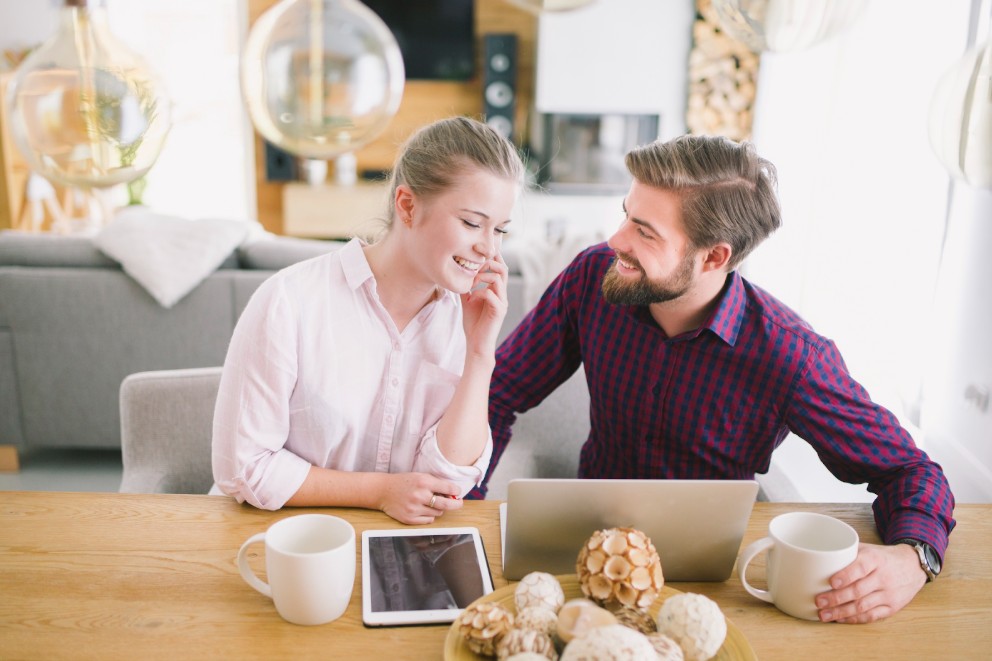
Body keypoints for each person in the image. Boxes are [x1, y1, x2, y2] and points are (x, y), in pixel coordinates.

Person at [473, 134, 955, 624]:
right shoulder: (591, 277)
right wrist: (463, 500)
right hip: (589, 553)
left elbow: (911, 471)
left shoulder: (791, 356)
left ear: (713, 257)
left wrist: (914, 558)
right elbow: (497, 392)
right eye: (626, 215)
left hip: (710, 584)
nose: (616, 239)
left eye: (645, 232)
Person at [211, 116, 524, 524]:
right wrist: (379, 493)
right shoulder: (289, 300)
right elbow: (245, 467)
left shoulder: (465, 321)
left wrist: (480, 354)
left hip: (396, 542)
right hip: (278, 534)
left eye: (500, 230)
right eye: (471, 223)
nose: (489, 249)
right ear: (407, 206)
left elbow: (447, 483)